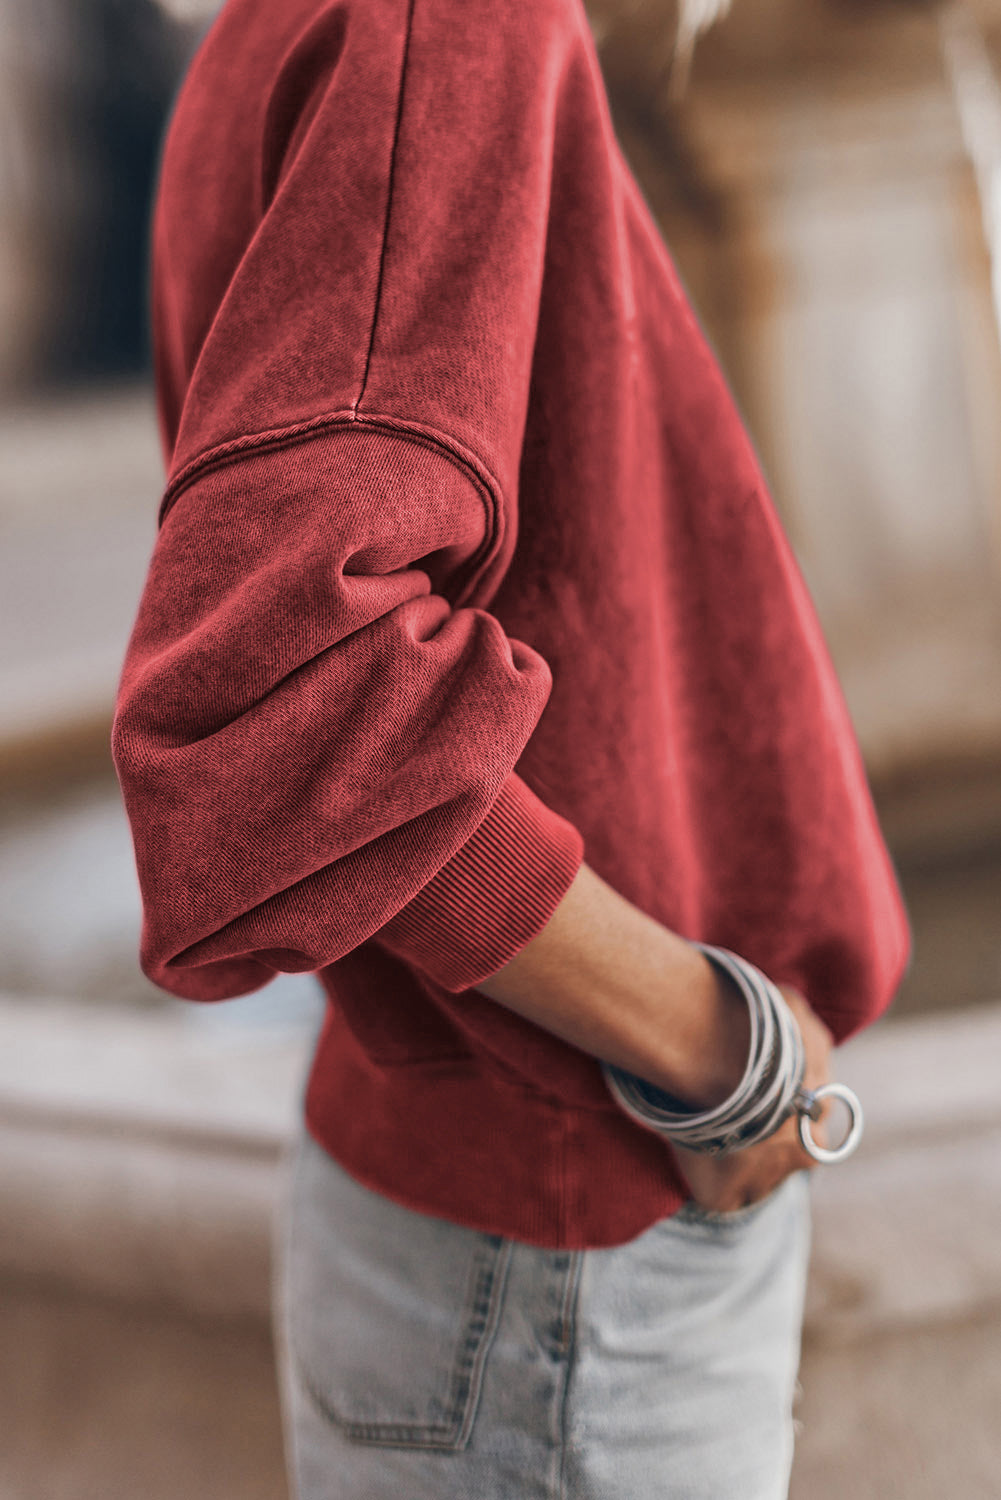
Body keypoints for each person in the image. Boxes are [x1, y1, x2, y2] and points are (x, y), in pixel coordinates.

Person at [112, 0, 911, 1495]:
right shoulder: (447, 18)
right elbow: (289, 679)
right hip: (571, 1224)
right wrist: (713, 1050)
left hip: (502, 1221)